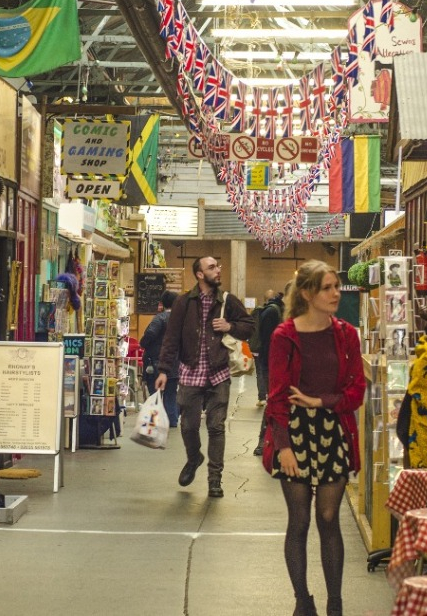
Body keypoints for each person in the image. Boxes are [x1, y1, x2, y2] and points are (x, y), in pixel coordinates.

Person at [262, 260, 366, 616]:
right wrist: (284, 446)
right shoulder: (284, 336)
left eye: (337, 286)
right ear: (307, 293)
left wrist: (321, 401)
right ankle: (303, 601)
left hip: (333, 430)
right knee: (300, 520)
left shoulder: (347, 334)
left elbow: (357, 391)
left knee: (327, 516)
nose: (337, 293)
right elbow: (276, 395)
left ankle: (335, 603)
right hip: (293, 432)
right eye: (328, 287)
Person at [155, 256, 253, 498]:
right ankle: (193, 457)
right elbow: (171, 338)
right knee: (188, 426)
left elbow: (249, 326)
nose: (218, 270)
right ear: (199, 274)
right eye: (212, 267)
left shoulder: (228, 301)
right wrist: (164, 370)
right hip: (190, 373)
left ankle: (214, 479)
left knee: (216, 427)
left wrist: (230, 326)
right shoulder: (183, 303)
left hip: (219, 373)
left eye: (218, 266)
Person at [138, 289, 179, 426]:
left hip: (155, 362)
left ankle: (154, 422)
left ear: (162, 303)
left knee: (154, 394)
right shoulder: (181, 320)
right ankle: (172, 421)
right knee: (171, 394)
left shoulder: (159, 318)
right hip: (174, 363)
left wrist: (143, 344)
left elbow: (150, 333)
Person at [253, 289, 285, 455]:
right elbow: (267, 339)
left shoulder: (277, 311)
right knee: (274, 403)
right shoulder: (273, 312)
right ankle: (264, 443)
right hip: (273, 363)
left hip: (275, 363)